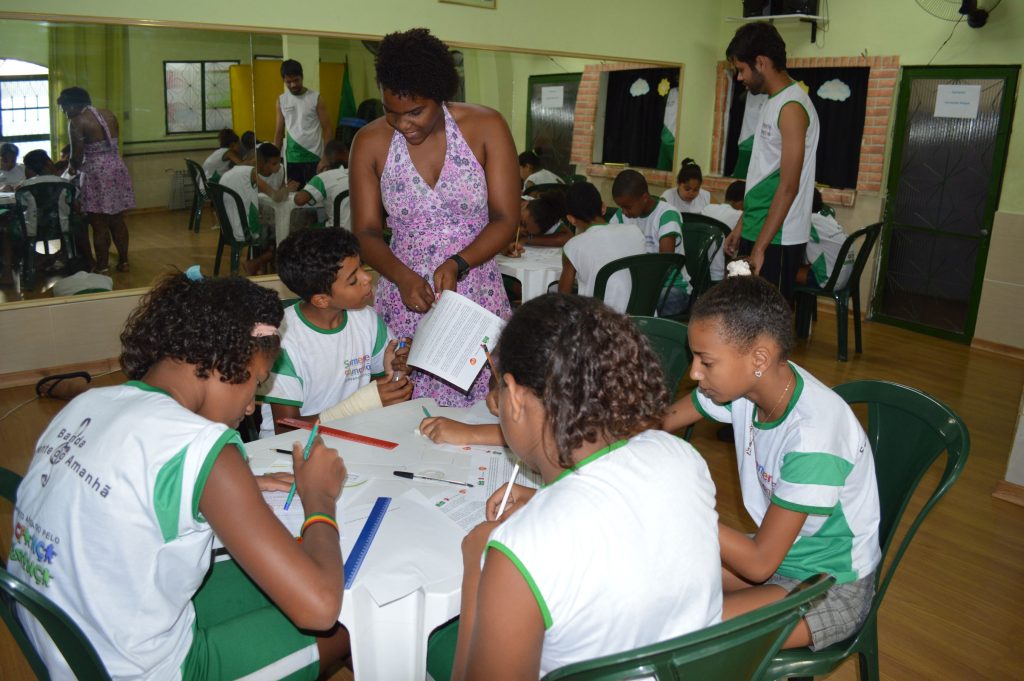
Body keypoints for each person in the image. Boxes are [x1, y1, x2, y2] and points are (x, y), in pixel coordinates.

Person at [10, 272, 351, 680]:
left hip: (64, 648)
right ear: (230, 360)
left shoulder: (90, 404)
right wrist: (319, 498)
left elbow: (121, 486)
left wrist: (239, 485)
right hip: (144, 671)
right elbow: (318, 608)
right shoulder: (204, 447)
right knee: (350, 624)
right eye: (256, 385)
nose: (248, 409)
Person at [431, 294, 722, 680]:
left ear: (515, 397)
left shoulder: (520, 550)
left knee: (432, 648)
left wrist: (475, 569)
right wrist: (542, 503)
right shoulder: (681, 457)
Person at [662, 273, 880, 651]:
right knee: (657, 580)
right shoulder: (748, 386)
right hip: (781, 554)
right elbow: (663, 419)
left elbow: (761, 563)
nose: (695, 372)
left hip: (829, 584)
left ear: (758, 357)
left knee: (683, 636)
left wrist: (678, 510)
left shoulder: (813, 439)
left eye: (706, 361)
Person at [349, 27, 519, 408]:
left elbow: (506, 219)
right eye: (390, 113)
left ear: (440, 95)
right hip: (406, 291)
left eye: (415, 112)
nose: (403, 124)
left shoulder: (486, 127)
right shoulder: (370, 143)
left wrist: (460, 263)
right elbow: (365, 231)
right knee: (406, 409)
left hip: (474, 293)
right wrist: (402, 276)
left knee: (484, 408)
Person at [258, 228, 412, 437]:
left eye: (361, 267)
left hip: (351, 437)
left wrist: (395, 371)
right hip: (290, 450)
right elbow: (286, 428)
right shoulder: (282, 342)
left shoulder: (366, 319)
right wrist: (368, 403)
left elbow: (377, 388)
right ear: (322, 299)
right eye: (353, 280)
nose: (367, 278)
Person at [721, 22, 820, 302]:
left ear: (761, 62)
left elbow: (789, 185)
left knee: (767, 323)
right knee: (741, 314)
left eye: (741, 70)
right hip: (757, 229)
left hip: (777, 238)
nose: (739, 78)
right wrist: (742, 226)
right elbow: (762, 175)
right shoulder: (771, 102)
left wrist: (760, 248)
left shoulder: (791, 108)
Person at [57, 86, 135, 274]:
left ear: (75, 104)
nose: (66, 114)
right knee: (117, 220)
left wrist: (71, 169)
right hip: (117, 168)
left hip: (96, 174)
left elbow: (76, 156)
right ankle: (124, 262)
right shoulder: (108, 114)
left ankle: (102, 265)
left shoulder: (77, 121)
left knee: (98, 223)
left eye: (66, 109)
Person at [608, 169, 688, 315]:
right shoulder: (621, 216)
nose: (624, 212)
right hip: (635, 286)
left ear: (644, 198)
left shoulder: (666, 214)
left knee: (635, 304)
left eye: (628, 207)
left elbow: (665, 263)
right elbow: (609, 246)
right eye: (621, 207)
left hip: (671, 288)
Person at [558, 181, 645, 313]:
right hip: (643, 316)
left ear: (571, 219)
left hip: (601, 323)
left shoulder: (573, 246)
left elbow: (563, 298)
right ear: (603, 207)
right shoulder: (635, 231)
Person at [217, 142, 298, 275]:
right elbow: (276, 197)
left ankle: (259, 265)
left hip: (228, 227)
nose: (276, 168)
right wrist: (289, 188)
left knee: (271, 225)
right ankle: (258, 264)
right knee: (286, 233)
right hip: (244, 229)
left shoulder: (231, 172)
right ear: (260, 162)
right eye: (273, 164)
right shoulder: (251, 173)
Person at [274, 59, 332, 187]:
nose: (293, 85)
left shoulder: (316, 98)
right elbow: (278, 132)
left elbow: (327, 129)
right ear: (283, 80)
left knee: (316, 195)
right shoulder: (281, 101)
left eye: (296, 80)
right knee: (295, 197)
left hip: (315, 157)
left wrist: (326, 157)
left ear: (302, 77)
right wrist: (274, 159)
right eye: (288, 82)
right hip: (293, 158)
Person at [797, 189, 854, 290]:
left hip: (830, 281)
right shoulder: (826, 218)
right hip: (846, 279)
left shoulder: (808, 221)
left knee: (782, 271)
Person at [293, 139, 351, 229]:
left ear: (325, 158)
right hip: (359, 232)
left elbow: (299, 200)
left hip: (337, 233)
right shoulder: (359, 175)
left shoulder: (323, 178)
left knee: (304, 229)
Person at [700, 179, 745, 282]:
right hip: (722, 273)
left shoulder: (707, 209)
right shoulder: (739, 217)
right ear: (742, 202)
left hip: (698, 266)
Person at [506, 190, 571, 252]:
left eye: (527, 233)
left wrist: (527, 239)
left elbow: (567, 237)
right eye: (521, 223)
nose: (520, 230)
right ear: (525, 204)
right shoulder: (503, 202)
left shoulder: (544, 218)